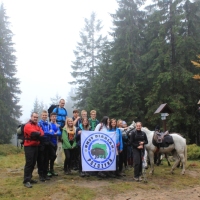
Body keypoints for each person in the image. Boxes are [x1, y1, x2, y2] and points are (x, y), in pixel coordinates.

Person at [23, 112, 44, 188]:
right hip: (29, 146)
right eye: (34, 117)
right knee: (29, 163)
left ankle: (30, 178)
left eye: (36, 117)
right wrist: (38, 133)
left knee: (33, 163)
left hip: (36, 146)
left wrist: (38, 133)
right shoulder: (28, 125)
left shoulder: (37, 125)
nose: (35, 118)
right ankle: (26, 180)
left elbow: (42, 133)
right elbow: (33, 133)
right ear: (31, 117)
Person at [37, 110, 54, 181]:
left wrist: (48, 132)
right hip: (41, 143)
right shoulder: (39, 124)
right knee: (41, 159)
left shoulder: (49, 124)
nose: (44, 116)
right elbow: (41, 134)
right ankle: (41, 175)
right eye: (43, 115)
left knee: (47, 159)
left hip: (48, 143)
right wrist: (48, 132)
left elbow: (52, 132)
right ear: (41, 116)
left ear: (47, 116)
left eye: (45, 115)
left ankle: (45, 173)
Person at [48, 112, 61, 176]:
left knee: (53, 157)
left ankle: (51, 170)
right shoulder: (48, 124)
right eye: (53, 116)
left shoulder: (56, 124)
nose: (54, 118)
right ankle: (48, 170)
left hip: (55, 142)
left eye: (55, 117)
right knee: (52, 156)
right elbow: (49, 132)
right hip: (49, 143)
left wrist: (55, 133)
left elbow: (59, 132)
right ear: (50, 117)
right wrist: (54, 133)